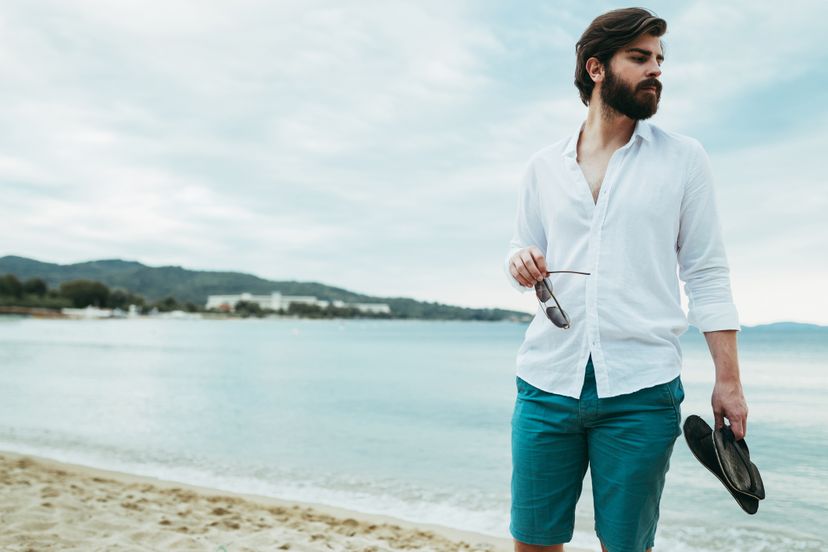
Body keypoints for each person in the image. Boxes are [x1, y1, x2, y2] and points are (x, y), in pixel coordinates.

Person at [503, 7, 748, 552]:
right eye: (639, 58)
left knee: (627, 547)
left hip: (641, 390)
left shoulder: (684, 159)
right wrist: (520, 262)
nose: (655, 69)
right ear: (596, 68)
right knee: (533, 543)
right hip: (546, 384)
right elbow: (521, 247)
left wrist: (728, 380)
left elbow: (706, 272)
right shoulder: (543, 166)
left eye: (660, 59)